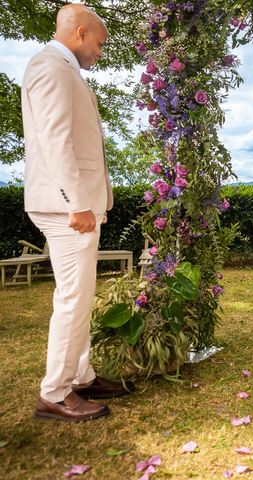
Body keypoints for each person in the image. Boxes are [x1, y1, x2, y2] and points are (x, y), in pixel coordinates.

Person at [22, 4, 129, 422]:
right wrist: (76, 203)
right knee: (72, 300)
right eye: (100, 44)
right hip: (65, 206)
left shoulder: (65, 70)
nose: (100, 53)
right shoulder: (52, 67)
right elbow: (54, 140)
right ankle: (55, 392)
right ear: (80, 32)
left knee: (80, 298)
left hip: (76, 205)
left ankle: (80, 376)